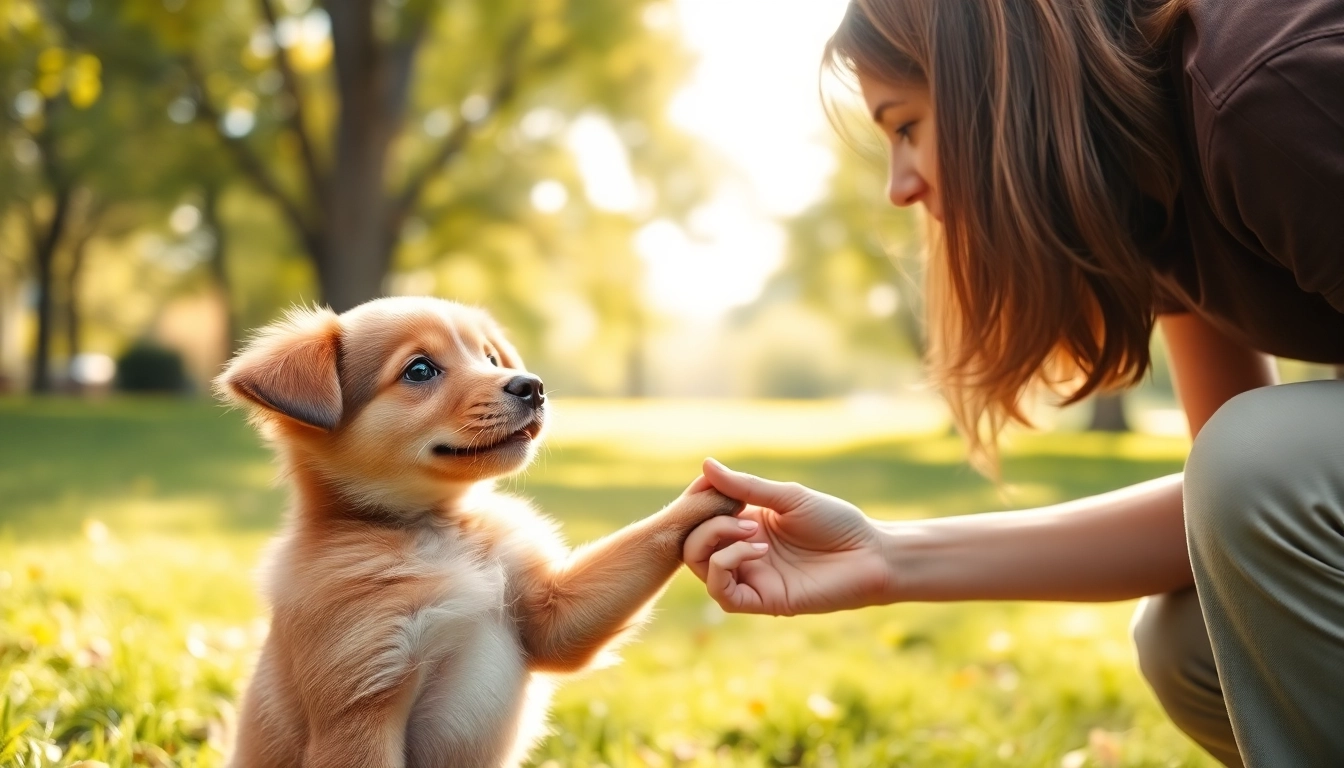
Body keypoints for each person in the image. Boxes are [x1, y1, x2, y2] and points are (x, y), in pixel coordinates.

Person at [680, 1, 1344, 766]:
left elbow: (1262, 477)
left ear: (992, 83)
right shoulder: (1154, 181)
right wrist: (885, 557)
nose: (899, 187)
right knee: (1193, 648)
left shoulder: (1265, 96)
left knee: (1255, 459)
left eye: (905, 126)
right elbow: (1230, 514)